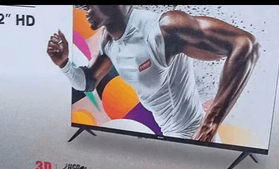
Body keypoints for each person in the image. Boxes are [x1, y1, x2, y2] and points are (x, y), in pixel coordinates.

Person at [47, 5, 260, 142]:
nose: (81, 7)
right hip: (169, 140)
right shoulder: (109, 42)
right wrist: (64, 63)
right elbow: (87, 83)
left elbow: (246, 45)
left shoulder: (163, 29)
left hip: (195, 139)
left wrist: (210, 125)